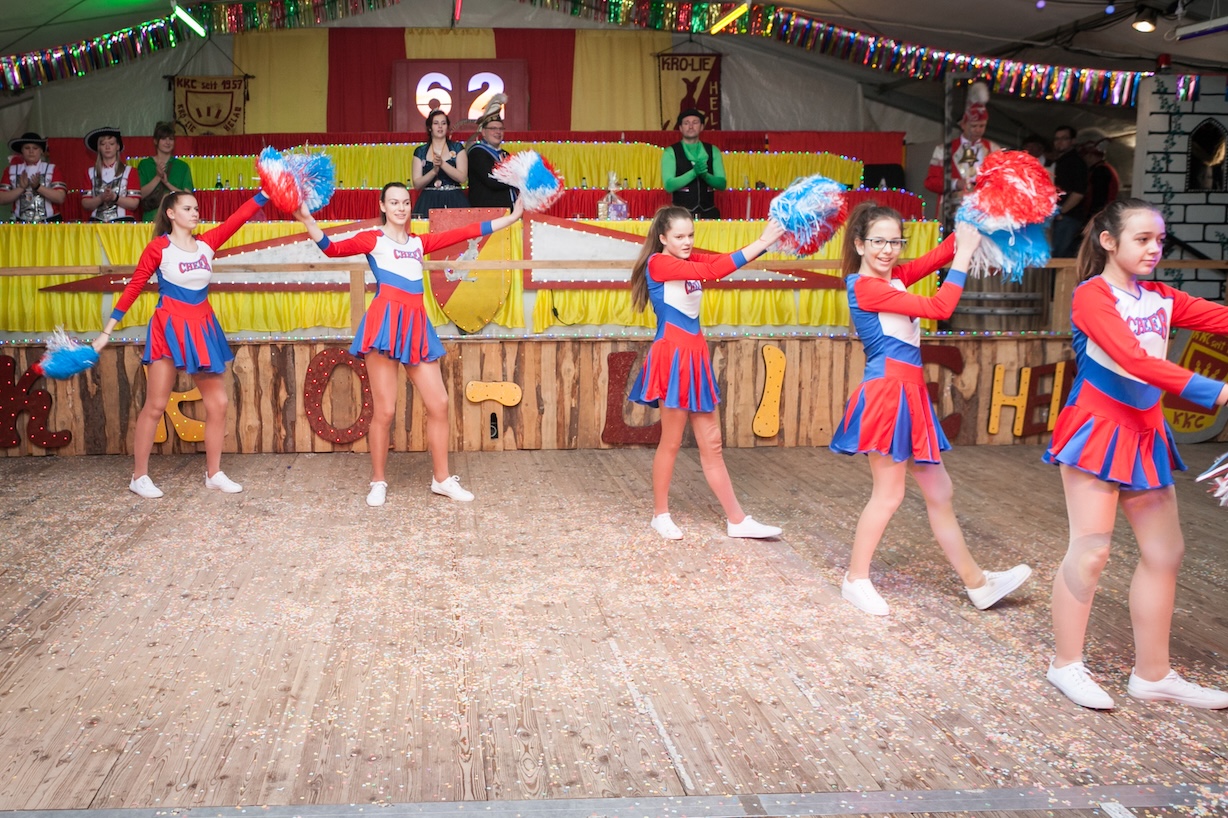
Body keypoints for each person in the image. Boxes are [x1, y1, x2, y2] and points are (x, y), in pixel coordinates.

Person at [1043, 198, 1228, 710]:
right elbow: (1134, 360)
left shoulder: (1161, 298)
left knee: (1166, 553)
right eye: (1142, 239)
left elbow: (1221, 318)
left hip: (1146, 434)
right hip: (1098, 431)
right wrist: (1217, 392)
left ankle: (1153, 674)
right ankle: (1065, 664)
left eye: (1159, 240)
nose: (1154, 249)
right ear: (1108, 241)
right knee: (1091, 550)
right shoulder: (1091, 296)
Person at [831, 202, 1032, 616]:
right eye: (878, 241)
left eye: (895, 242)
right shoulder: (865, 287)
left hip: (910, 394)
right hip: (887, 394)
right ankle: (855, 578)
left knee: (940, 491)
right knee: (889, 494)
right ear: (860, 244)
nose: (888, 250)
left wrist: (980, 215)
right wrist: (964, 255)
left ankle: (977, 584)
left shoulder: (895, 279)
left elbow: (942, 252)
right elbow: (941, 308)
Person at [291, 184, 525, 507]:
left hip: (415, 326)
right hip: (384, 326)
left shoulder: (419, 243)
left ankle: (441, 479)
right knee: (385, 410)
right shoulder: (373, 239)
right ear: (382, 206)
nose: (400, 208)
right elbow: (332, 248)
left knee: (439, 403)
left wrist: (511, 217)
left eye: (404, 202)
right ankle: (378, 481)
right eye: (393, 202)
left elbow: (467, 232)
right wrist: (308, 220)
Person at [91, 189, 270, 499]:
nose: (194, 213)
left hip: (201, 327)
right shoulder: (158, 248)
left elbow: (238, 218)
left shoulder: (207, 244)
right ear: (171, 214)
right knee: (156, 405)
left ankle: (213, 473)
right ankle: (139, 476)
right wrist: (107, 331)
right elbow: (134, 287)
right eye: (187, 208)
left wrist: (266, 193)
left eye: (196, 208)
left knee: (218, 403)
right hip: (169, 327)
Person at [628, 205, 784, 540]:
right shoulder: (658, 263)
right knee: (671, 441)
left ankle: (737, 520)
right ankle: (660, 514)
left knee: (712, 443)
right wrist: (762, 241)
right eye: (679, 236)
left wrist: (767, 243)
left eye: (691, 235)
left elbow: (717, 263)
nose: (687, 242)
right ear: (663, 238)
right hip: (673, 356)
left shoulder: (686, 261)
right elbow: (714, 269)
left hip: (696, 355)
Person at [924, 83, 1000, 230]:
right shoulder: (944, 150)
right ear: (963, 125)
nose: (978, 130)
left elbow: (1001, 181)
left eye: (982, 126)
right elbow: (930, 182)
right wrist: (955, 183)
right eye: (974, 126)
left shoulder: (993, 149)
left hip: (985, 212)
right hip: (952, 211)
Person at [661, 108, 726, 220]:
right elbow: (669, 186)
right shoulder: (670, 152)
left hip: (709, 213)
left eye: (695, 122)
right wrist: (694, 173)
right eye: (686, 123)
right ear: (680, 128)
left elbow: (722, 184)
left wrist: (705, 175)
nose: (691, 126)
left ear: (702, 127)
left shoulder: (713, 150)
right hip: (680, 216)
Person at [411, 109, 468, 218]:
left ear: (447, 127)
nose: (440, 127)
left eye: (443, 123)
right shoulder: (420, 151)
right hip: (428, 200)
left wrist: (442, 164)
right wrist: (433, 172)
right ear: (430, 127)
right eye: (436, 123)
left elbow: (462, 178)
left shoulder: (457, 148)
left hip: (454, 199)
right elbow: (417, 184)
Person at [0, 132, 68, 222]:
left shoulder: (52, 169)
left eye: (35, 148)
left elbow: (60, 198)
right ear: (21, 150)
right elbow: (1, 199)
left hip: (50, 223)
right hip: (19, 224)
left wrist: (38, 187)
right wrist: (21, 188)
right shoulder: (11, 170)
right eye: (27, 148)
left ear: (41, 151)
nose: (31, 151)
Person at [137, 121, 194, 222]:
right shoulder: (145, 164)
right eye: (163, 138)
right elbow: (139, 195)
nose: (168, 142)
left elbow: (188, 197)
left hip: (176, 220)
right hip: (151, 219)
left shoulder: (182, 166)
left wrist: (167, 183)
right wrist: (158, 177)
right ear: (155, 141)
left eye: (171, 139)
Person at [82, 126, 141, 223]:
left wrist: (115, 197)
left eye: (111, 143)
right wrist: (101, 198)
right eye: (103, 144)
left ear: (118, 146)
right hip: (96, 223)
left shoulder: (130, 171)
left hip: (123, 223)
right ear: (98, 147)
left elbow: (134, 204)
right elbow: (85, 204)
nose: (107, 147)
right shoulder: (90, 172)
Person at [1050, 125, 1089, 258]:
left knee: (1059, 258)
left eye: (1064, 138)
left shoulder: (1076, 162)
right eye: (1057, 139)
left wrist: (1061, 211)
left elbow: (1079, 193)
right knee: (1056, 256)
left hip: (1068, 217)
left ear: (1073, 141)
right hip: (1061, 216)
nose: (1059, 142)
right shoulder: (1061, 161)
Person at [466, 118, 517, 209]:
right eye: (493, 128)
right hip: (487, 209)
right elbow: (492, 181)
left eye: (501, 129)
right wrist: (517, 179)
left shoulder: (505, 154)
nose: (498, 132)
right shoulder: (477, 153)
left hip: (507, 208)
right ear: (483, 132)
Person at [1077, 130, 1120, 218]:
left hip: (1099, 217)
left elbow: (1098, 200)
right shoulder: (1103, 169)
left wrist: (1091, 218)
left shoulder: (1101, 171)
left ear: (1089, 155)